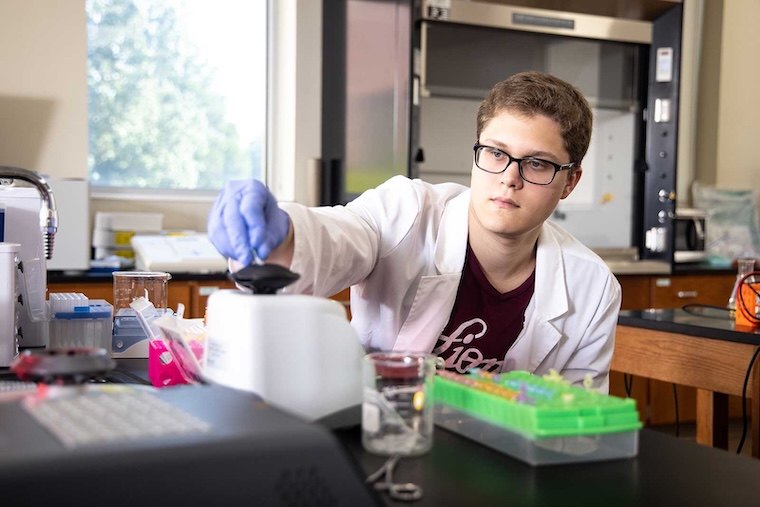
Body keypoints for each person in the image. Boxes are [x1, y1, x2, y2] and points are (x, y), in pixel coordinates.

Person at [208, 71, 622, 392]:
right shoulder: (408, 211)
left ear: (569, 182)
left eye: (536, 163)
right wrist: (284, 234)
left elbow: (577, 422)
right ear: (477, 153)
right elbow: (341, 236)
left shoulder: (592, 287)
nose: (509, 178)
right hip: (383, 435)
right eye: (496, 153)